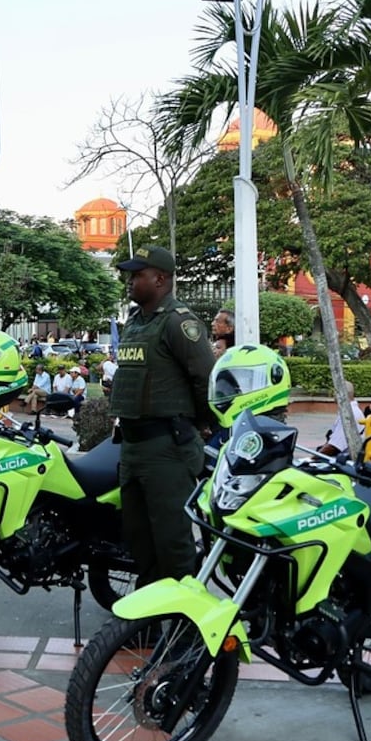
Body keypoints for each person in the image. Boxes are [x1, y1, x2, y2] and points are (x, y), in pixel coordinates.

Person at [110, 244, 216, 588]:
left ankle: (183, 624)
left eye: (138, 275)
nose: (131, 281)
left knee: (173, 543)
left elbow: (205, 380)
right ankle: (152, 622)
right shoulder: (136, 322)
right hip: (133, 447)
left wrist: (201, 426)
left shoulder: (178, 322)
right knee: (139, 540)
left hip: (166, 448)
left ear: (160, 279)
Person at [317, 379, 364, 458]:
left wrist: (311, 458)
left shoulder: (349, 414)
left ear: (341, 394)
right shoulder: (352, 410)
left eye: (335, 392)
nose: (333, 394)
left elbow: (333, 446)